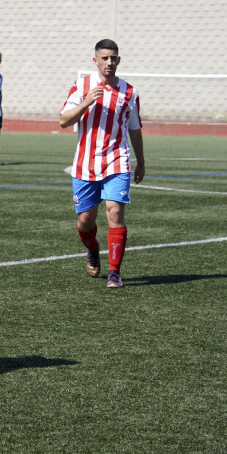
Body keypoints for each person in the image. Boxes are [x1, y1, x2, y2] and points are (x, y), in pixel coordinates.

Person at [59, 39, 145, 289]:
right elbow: (63, 120)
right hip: (85, 164)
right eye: (105, 58)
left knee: (115, 212)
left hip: (117, 160)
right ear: (95, 60)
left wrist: (141, 161)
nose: (110, 62)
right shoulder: (81, 86)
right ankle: (93, 247)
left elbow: (135, 129)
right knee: (86, 221)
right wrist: (86, 101)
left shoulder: (129, 92)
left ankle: (115, 272)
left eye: (114, 58)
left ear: (119, 60)